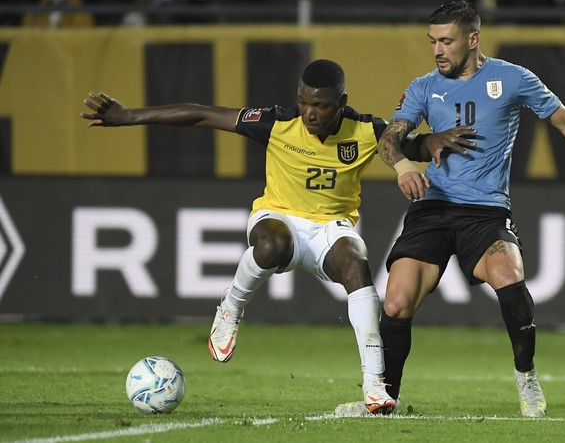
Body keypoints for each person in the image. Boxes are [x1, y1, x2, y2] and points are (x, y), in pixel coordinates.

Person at [335, 0, 565, 418]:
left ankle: (525, 375)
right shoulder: (422, 86)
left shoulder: (512, 79)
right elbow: (391, 137)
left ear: (472, 39)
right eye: (432, 41)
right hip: (433, 208)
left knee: (509, 276)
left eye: (447, 41)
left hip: (486, 212)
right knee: (396, 303)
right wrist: (403, 165)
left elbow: (564, 120)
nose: (438, 50)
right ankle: (384, 398)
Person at [80, 59, 399, 414]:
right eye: (303, 102)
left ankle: (374, 386)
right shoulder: (278, 122)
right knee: (272, 244)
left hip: (330, 228)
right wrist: (130, 116)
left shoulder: (368, 130)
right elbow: (202, 114)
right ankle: (231, 307)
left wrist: (437, 143)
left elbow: (413, 146)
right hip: (278, 216)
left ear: (342, 102)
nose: (309, 113)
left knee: (357, 265)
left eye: (320, 105)